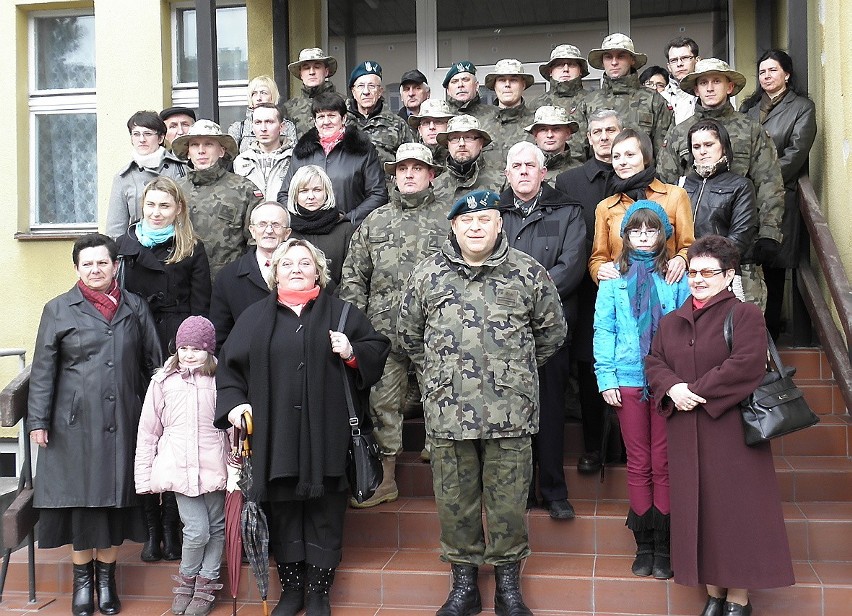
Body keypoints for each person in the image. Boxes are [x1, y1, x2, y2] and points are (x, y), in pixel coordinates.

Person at [398, 189, 567, 616]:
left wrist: (511, 373)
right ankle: (464, 587)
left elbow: (552, 333)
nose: (476, 227)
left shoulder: (528, 273)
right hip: (448, 412)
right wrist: (441, 375)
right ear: (454, 226)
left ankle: (509, 587)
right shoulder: (428, 274)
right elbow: (409, 334)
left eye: (485, 219)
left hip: (510, 414)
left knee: (509, 505)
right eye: (467, 221)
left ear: (499, 224)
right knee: (455, 502)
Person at [215, 239, 390, 616]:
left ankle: (320, 593)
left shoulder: (342, 314)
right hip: (273, 436)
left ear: (318, 272)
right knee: (284, 510)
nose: (296, 268)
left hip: (328, 433)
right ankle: (292, 591)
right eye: (287, 263)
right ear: (274, 272)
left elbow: (377, 348)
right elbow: (229, 370)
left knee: (326, 509)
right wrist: (233, 405)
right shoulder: (254, 317)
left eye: (305, 263)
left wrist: (352, 352)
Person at [645, 235, 795, 616]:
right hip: (684, 431)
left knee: (736, 514)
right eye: (694, 272)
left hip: (731, 431)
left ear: (729, 275)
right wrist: (673, 388)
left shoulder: (744, 314)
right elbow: (654, 362)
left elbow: (744, 364)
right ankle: (714, 593)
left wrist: (693, 391)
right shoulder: (671, 321)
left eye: (709, 272)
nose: (698, 279)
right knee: (699, 512)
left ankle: (738, 600)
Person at [28, 233, 162, 616]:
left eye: (102, 262)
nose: (95, 269)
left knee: (115, 505)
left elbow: (154, 363)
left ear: (115, 265)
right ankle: (82, 584)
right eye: (87, 263)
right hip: (74, 426)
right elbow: (42, 371)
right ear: (76, 269)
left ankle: (107, 580)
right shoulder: (58, 309)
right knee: (83, 505)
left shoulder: (134, 307)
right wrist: (38, 420)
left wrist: (161, 413)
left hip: (123, 420)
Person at [338, 143, 448, 507]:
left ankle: (448, 479)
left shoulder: (450, 219)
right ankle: (385, 478)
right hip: (383, 332)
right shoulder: (376, 221)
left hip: (438, 330)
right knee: (382, 403)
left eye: (418, 168)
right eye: (403, 169)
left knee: (442, 397)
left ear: (431, 174)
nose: (410, 174)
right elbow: (354, 275)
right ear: (394, 176)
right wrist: (358, 325)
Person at [115, 176, 211, 565]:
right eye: (150, 205)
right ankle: (151, 530)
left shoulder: (191, 249)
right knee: (144, 436)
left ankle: (173, 528)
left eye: (164, 206)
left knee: (174, 436)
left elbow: (201, 307)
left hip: (174, 347)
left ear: (178, 210)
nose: (155, 212)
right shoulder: (124, 247)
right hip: (133, 345)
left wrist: (190, 353)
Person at [593, 202, 691, 581]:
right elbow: (605, 330)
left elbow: (686, 332)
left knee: (663, 461)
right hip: (629, 379)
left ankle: (665, 544)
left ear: (664, 234)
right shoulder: (613, 279)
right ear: (626, 236)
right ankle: (644, 543)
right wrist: (607, 378)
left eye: (651, 231)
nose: (644, 237)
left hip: (666, 382)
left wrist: (680, 380)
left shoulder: (676, 277)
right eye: (636, 231)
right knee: (638, 461)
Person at [499, 142, 586, 520]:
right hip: (504, 329)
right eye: (515, 166)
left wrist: (532, 293)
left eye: (529, 166)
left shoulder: (567, 211)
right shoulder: (491, 212)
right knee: (510, 413)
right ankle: (519, 493)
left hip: (552, 326)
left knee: (549, 409)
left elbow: (573, 263)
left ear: (543, 172)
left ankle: (553, 490)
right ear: (506, 174)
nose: (522, 172)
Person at [657, 58, 785, 311]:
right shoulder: (679, 133)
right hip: (689, 252)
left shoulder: (750, 129)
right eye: (703, 82)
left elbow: (769, 182)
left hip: (741, 246)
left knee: (743, 323)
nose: (710, 87)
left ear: (729, 86)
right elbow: (664, 187)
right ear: (695, 89)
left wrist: (770, 233)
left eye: (717, 81)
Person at [135, 316, 227, 616]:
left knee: (216, 527)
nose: (189, 354)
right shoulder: (163, 381)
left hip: (215, 466)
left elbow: (231, 427)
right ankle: (187, 581)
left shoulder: (221, 380)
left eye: (197, 348)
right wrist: (144, 476)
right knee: (197, 529)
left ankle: (207, 583)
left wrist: (238, 467)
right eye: (183, 347)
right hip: (178, 467)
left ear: (209, 351)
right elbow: (149, 431)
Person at [555, 109, 623, 473]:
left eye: (611, 130)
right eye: (597, 131)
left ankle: (626, 444)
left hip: (632, 290)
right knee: (590, 368)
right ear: (588, 138)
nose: (603, 137)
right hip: (587, 289)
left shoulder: (640, 176)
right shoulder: (570, 181)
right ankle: (594, 446)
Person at [740, 49, 817, 340]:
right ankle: (750, 337)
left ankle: (771, 336)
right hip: (746, 197)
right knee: (747, 264)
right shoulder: (748, 109)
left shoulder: (802, 108)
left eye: (773, 70)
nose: (766, 76)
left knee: (773, 266)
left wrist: (763, 178)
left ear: (786, 73)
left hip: (779, 195)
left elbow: (796, 154)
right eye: (762, 72)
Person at [589, 128, 694, 285]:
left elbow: (689, 246)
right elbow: (598, 258)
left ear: (646, 158)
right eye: (616, 157)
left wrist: (681, 259)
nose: (622, 162)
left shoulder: (675, 196)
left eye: (630, 155)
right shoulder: (606, 207)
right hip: (624, 293)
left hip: (668, 291)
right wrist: (600, 270)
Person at [172, 120, 264, 280]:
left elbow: (257, 243)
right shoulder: (175, 190)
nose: (201, 151)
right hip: (185, 286)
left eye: (208, 144)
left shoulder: (243, 189)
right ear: (188, 152)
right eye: (194, 145)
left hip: (230, 285)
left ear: (222, 150)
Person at [279, 92, 387, 227]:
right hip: (307, 233)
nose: (326, 122)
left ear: (343, 118)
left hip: (349, 231)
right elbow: (284, 194)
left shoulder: (362, 150)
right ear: (314, 121)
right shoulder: (302, 152)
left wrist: (349, 219)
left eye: (331, 116)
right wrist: (301, 220)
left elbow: (378, 194)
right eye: (321, 117)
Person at [209, 201, 291, 352]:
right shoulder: (228, 278)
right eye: (262, 224)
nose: (269, 230)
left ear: (287, 233)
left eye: (276, 225)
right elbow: (220, 337)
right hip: (246, 368)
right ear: (252, 231)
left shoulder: (303, 274)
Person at [585, 33, 673, 159]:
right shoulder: (589, 102)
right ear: (602, 61)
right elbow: (579, 153)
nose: (614, 62)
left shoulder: (654, 100)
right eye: (608, 57)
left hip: (641, 176)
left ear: (632, 60)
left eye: (621, 56)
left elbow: (664, 154)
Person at [682, 119, 758, 261]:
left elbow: (740, 237)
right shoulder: (682, 184)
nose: (702, 151)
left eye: (709, 145)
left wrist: (709, 262)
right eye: (696, 147)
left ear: (723, 147)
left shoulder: (741, 186)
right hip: (684, 267)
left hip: (722, 267)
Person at [105, 110, 187, 238]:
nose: (142, 140)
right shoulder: (123, 177)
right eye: (136, 134)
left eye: (148, 134)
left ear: (160, 138)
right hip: (138, 251)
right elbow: (115, 230)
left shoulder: (181, 170)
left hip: (178, 248)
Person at [286, 165, 354, 286]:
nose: (311, 196)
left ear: (327, 192)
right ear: (295, 195)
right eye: (304, 191)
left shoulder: (344, 229)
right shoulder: (286, 230)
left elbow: (352, 276)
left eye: (317, 190)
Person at [346, 60, 415, 172]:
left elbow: (411, 161)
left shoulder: (398, 124)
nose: (366, 92)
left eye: (372, 86)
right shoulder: (340, 121)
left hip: (386, 188)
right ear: (353, 91)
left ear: (380, 92)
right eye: (361, 86)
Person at [529, 44, 590, 156]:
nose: (565, 69)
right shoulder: (536, 105)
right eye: (559, 65)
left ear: (580, 70)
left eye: (571, 65)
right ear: (550, 71)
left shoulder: (593, 101)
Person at [432, 115, 505, 205]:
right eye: (455, 138)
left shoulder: (501, 181)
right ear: (448, 144)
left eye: (469, 138)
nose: (462, 144)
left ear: (481, 143)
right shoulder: (434, 186)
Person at [233, 102, 294, 200]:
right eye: (258, 122)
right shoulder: (241, 161)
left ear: (281, 127)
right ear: (252, 127)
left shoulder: (295, 158)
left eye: (269, 122)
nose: (263, 129)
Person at [481, 59, 536, 161]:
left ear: (523, 85)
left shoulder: (537, 124)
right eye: (502, 80)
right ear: (495, 86)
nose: (507, 85)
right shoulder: (481, 124)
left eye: (513, 80)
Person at [228, 75, 297, 154]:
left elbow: (294, 156)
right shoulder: (238, 128)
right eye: (254, 93)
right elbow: (229, 160)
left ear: (273, 96)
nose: (259, 98)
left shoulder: (288, 126)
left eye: (263, 93)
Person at [280, 48, 339, 138]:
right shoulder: (288, 108)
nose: (312, 72)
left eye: (317, 67)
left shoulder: (344, 103)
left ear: (326, 71)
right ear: (301, 74)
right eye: (306, 68)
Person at [524, 105, 580, 183]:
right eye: (543, 129)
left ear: (567, 133)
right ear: (535, 135)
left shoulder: (581, 172)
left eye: (556, 129)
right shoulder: (521, 170)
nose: (550, 135)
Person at [663, 37, 700, 124]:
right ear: (669, 67)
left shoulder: (708, 93)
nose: (679, 64)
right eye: (674, 60)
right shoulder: (661, 98)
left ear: (697, 61)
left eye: (685, 58)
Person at [408, 98, 455, 166]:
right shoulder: (409, 158)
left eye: (438, 122)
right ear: (420, 130)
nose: (431, 127)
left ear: (448, 126)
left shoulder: (457, 157)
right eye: (426, 123)